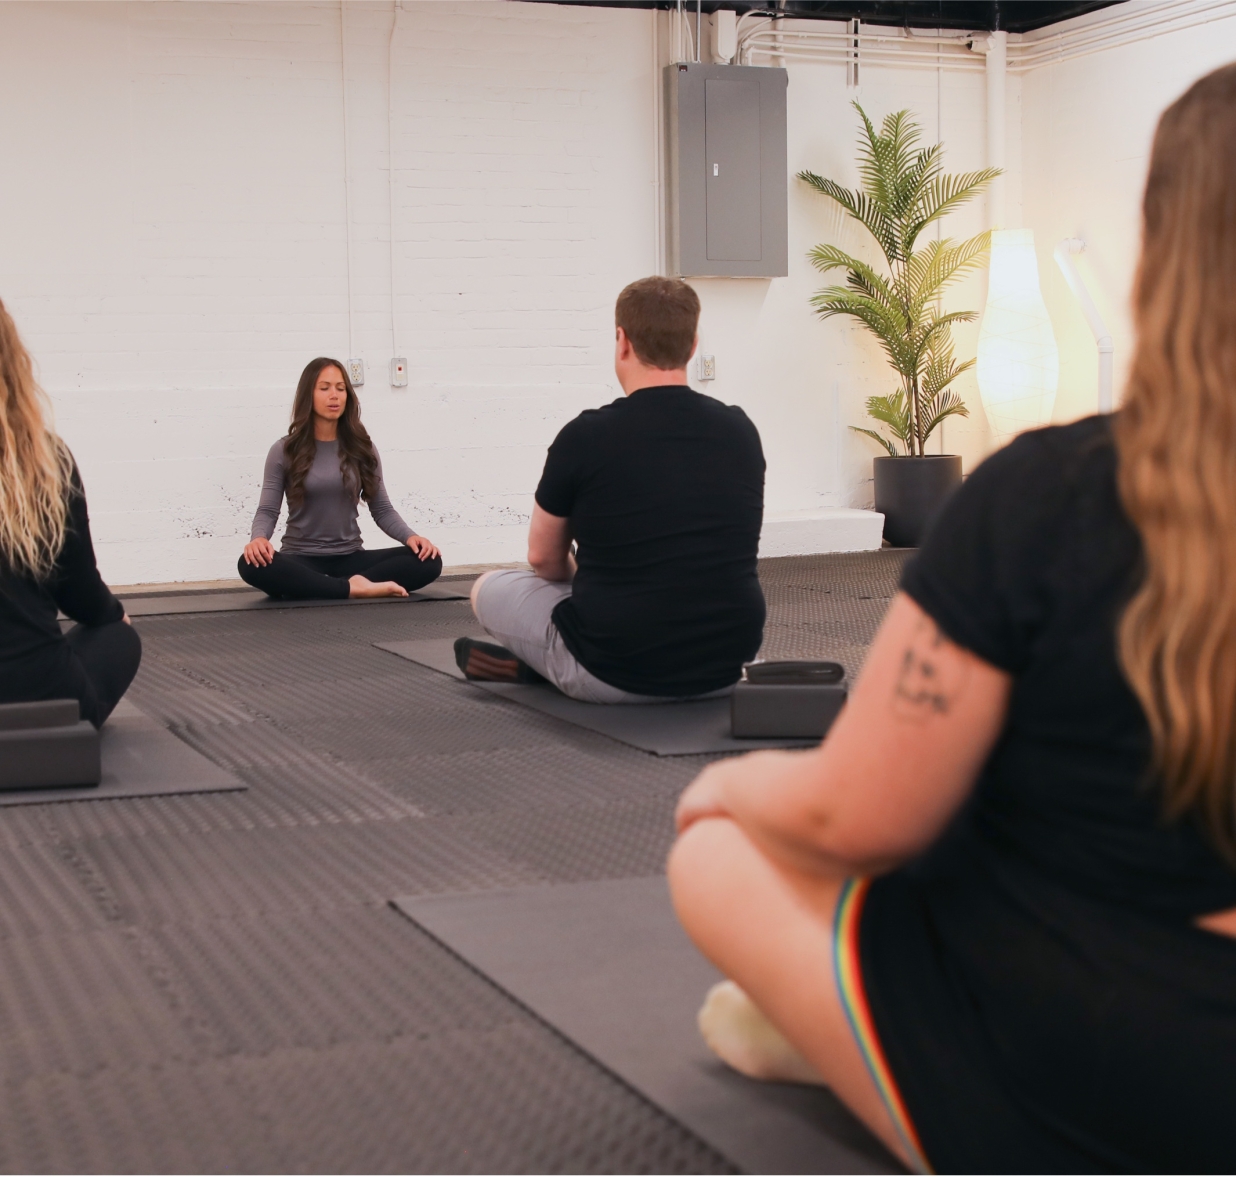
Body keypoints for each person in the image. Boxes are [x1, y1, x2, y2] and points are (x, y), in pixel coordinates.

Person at [667, 65, 1236, 1175]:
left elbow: (859, 817)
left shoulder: (1049, 494)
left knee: (722, 852)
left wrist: (727, 784)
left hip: (1132, 1061)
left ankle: (904, 1075)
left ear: (1166, 252)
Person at [459, 277, 765, 703]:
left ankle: (551, 667)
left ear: (622, 341)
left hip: (614, 672)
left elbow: (543, 559)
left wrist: (583, 582)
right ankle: (550, 664)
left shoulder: (584, 435)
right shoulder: (741, 430)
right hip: (726, 669)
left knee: (487, 586)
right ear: (693, 345)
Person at [0, 300, 141, 728]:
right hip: (40, 695)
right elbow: (78, 594)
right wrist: (114, 614)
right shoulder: (44, 460)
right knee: (119, 637)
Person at [240, 358, 442, 600]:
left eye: (340, 388)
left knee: (429, 561)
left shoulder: (362, 448)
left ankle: (330, 586)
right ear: (309, 395)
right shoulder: (283, 450)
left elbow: (383, 509)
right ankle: (352, 589)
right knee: (249, 564)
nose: (334, 395)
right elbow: (268, 510)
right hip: (301, 559)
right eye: (324, 388)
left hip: (352, 559)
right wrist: (258, 539)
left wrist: (412, 537)